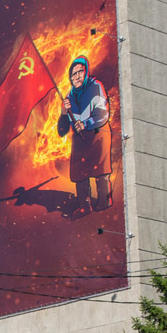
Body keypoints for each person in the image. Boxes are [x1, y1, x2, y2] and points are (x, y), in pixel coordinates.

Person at [56, 55, 112, 214]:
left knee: (101, 171)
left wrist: (86, 124)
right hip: (80, 140)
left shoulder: (96, 87)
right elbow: (62, 131)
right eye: (74, 74)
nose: (78, 76)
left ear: (86, 72)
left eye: (80, 71)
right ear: (70, 78)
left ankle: (104, 203)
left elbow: (103, 114)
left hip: (98, 134)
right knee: (79, 173)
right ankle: (84, 207)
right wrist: (63, 113)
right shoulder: (69, 97)